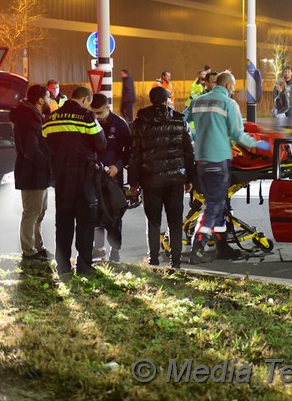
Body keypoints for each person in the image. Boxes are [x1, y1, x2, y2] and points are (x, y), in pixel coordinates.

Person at [189, 71, 271, 261]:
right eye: (233, 87)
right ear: (227, 86)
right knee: (214, 205)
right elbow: (237, 134)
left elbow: (187, 124)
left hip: (201, 160)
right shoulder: (228, 103)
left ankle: (222, 246)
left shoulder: (199, 101)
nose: (233, 90)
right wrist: (258, 145)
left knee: (219, 205)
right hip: (218, 159)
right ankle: (198, 245)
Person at [42, 86, 107, 277]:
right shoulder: (86, 117)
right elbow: (101, 143)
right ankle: (84, 266)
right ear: (86, 100)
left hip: (61, 179)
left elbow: (45, 143)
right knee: (85, 222)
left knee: (63, 223)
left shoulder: (51, 118)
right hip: (84, 179)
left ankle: (63, 267)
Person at [129, 86, 195, 269]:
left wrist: (133, 183)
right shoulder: (180, 121)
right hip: (175, 180)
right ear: (167, 100)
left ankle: (153, 261)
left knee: (153, 221)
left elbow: (135, 155)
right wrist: (190, 179)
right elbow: (189, 153)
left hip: (150, 181)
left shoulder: (140, 123)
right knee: (175, 221)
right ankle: (176, 262)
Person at [9, 84, 52, 262]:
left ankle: (37, 248)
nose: (51, 100)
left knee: (39, 212)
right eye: (49, 97)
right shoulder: (27, 119)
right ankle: (29, 252)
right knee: (32, 213)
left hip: (37, 173)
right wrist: (49, 164)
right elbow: (31, 150)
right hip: (32, 173)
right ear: (40, 100)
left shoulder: (34, 115)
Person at [90, 93, 132, 262]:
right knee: (96, 213)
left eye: (99, 113)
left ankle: (115, 250)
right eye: (94, 113)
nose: (96, 117)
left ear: (108, 108)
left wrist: (118, 166)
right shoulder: (90, 122)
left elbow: (129, 151)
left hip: (114, 178)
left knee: (114, 214)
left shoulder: (120, 124)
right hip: (94, 175)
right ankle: (98, 248)